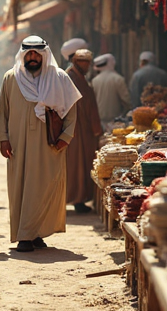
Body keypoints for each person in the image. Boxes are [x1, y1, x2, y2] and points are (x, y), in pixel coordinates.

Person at [0, 35, 81, 253]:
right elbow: (3, 112)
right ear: (23, 54)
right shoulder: (11, 78)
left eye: (37, 53)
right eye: (28, 53)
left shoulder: (59, 77)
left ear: (44, 54)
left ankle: (36, 232)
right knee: (21, 188)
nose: (32, 57)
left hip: (49, 145)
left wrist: (66, 137)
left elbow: (71, 110)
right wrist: (3, 138)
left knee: (45, 187)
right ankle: (25, 235)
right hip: (18, 143)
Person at [65, 49, 103, 214]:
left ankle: (79, 198)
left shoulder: (79, 77)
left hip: (83, 128)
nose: (85, 65)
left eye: (87, 62)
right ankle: (76, 199)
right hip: (75, 128)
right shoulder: (70, 77)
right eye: (82, 61)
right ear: (75, 62)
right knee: (76, 165)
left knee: (82, 163)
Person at [91, 54, 131, 131]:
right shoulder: (118, 79)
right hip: (116, 121)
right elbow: (126, 100)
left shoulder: (94, 81)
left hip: (99, 120)